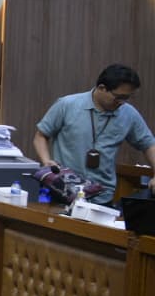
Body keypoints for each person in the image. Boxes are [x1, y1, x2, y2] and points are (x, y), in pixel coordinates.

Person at [32, 64, 155, 204]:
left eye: (126, 98)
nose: (121, 102)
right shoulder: (67, 105)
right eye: (118, 97)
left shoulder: (129, 114)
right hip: (63, 192)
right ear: (102, 88)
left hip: (103, 195)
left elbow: (149, 144)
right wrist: (46, 161)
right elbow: (40, 136)